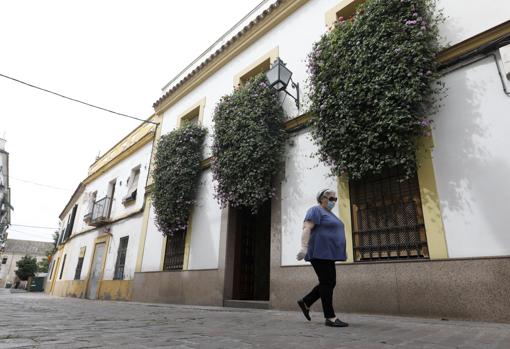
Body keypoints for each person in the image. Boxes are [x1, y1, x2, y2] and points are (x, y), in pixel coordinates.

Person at [296, 188, 348, 327]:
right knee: (327, 282)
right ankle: (330, 317)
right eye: (331, 199)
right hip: (319, 252)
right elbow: (307, 228)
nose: (333, 202)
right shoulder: (315, 210)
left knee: (330, 282)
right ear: (322, 199)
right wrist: (303, 247)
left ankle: (306, 301)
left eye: (335, 199)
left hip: (328, 254)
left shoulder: (330, 214)